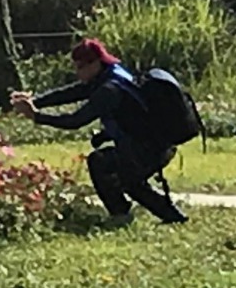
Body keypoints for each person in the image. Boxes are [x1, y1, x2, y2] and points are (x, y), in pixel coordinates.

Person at [10, 38, 188, 226]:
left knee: (101, 164)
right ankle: (173, 217)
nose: (77, 72)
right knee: (129, 180)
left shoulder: (109, 90)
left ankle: (121, 214)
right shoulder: (113, 74)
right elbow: (73, 93)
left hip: (148, 149)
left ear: (95, 63)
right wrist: (35, 101)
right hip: (157, 145)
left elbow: (75, 121)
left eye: (80, 67)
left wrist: (37, 117)